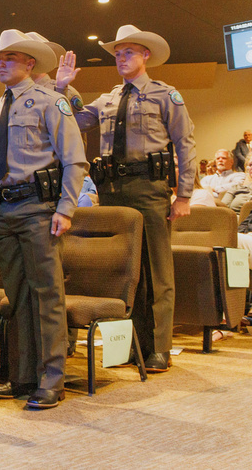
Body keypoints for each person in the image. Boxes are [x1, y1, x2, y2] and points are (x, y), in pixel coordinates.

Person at [0, 29, 87, 410]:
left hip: (38, 209)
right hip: (4, 211)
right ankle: (23, 375)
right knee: (18, 297)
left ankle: (52, 378)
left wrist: (66, 207)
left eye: (10, 57)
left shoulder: (50, 102)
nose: (2, 63)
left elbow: (74, 158)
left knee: (47, 294)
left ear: (30, 63)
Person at [57, 24, 196, 373]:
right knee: (124, 270)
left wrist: (184, 194)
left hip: (148, 188)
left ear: (145, 55)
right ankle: (133, 345)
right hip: (112, 190)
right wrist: (62, 87)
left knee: (157, 269)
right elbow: (73, 117)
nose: (121, 58)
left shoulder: (166, 96)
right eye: (117, 54)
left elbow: (185, 143)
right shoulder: (108, 98)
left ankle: (159, 348)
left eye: (128, 52)